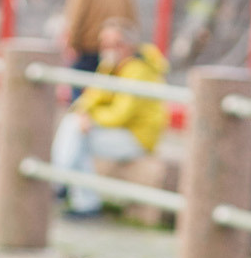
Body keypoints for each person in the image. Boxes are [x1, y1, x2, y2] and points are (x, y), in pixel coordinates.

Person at [50, 18, 170, 216]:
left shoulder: (138, 70)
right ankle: (76, 196)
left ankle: (61, 184)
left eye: (114, 44)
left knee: (78, 134)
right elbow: (92, 96)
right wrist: (83, 113)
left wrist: (91, 118)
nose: (107, 49)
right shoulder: (111, 65)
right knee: (75, 127)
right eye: (104, 44)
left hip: (138, 137)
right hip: (119, 132)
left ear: (128, 45)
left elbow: (122, 114)